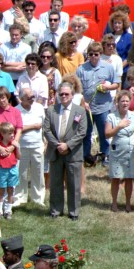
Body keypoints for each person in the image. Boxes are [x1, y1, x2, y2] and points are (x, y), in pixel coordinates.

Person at [43, 82, 87, 219]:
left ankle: (74, 212)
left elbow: (82, 132)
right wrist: (57, 145)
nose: (63, 96)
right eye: (61, 94)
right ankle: (56, 210)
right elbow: (46, 130)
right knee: (55, 183)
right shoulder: (51, 110)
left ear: (72, 95)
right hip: (55, 152)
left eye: (66, 94)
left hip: (73, 153)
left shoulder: (80, 111)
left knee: (73, 183)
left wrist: (67, 145)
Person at [105, 90, 134, 212]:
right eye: (122, 101)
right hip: (117, 150)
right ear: (117, 102)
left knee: (129, 178)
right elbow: (107, 134)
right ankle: (114, 203)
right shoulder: (111, 116)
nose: (125, 103)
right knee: (116, 177)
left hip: (131, 151)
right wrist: (119, 126)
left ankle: (127, 203)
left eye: (127, 101)